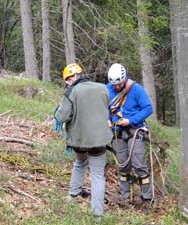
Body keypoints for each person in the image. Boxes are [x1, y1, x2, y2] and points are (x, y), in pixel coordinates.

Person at [54, 63, 113, 217]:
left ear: (69, 79)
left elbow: (61, 116)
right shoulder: (102, 88)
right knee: (98, 175)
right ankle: (98, 215)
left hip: (79, 140)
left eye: (67, 80)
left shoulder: (71, 92)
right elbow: (109, 108)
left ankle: (72, 195)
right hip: (100, 140)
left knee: (80, 163)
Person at [107, 63, 153, 204]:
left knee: (138, 164)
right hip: (117, 131)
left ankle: (147, 198)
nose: (116, 87)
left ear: (124, 79)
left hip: (135, 130)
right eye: (113, 85)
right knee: (123, 165)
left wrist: (130, 120)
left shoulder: (136, 89)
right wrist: (107, 120)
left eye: (118, 84)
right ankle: (125, 196)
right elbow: (104, 107)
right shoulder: (107, 89)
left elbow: (148, 108)